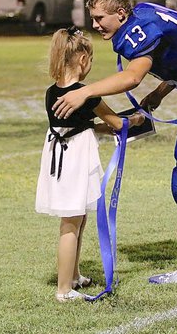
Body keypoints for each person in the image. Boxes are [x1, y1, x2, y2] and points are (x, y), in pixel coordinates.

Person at [52, 0, 177, 284]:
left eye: (101, 17)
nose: (96, 24)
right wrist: (160, 91)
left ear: (121, 13)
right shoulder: (148, 13)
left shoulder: (139, 28)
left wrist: (85, 92)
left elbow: (132, 77)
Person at [35, 25, 144, 302]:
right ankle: (63, 289)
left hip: (62, 155)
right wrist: (137, 120)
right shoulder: (86, 94)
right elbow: (117, 122)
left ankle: (73, 275)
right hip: (72, 160)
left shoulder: (52, 92)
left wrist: (102, 129)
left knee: (78, 218)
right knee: (70, 223)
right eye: (91, 60)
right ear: (83, 59)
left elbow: (77, 125)